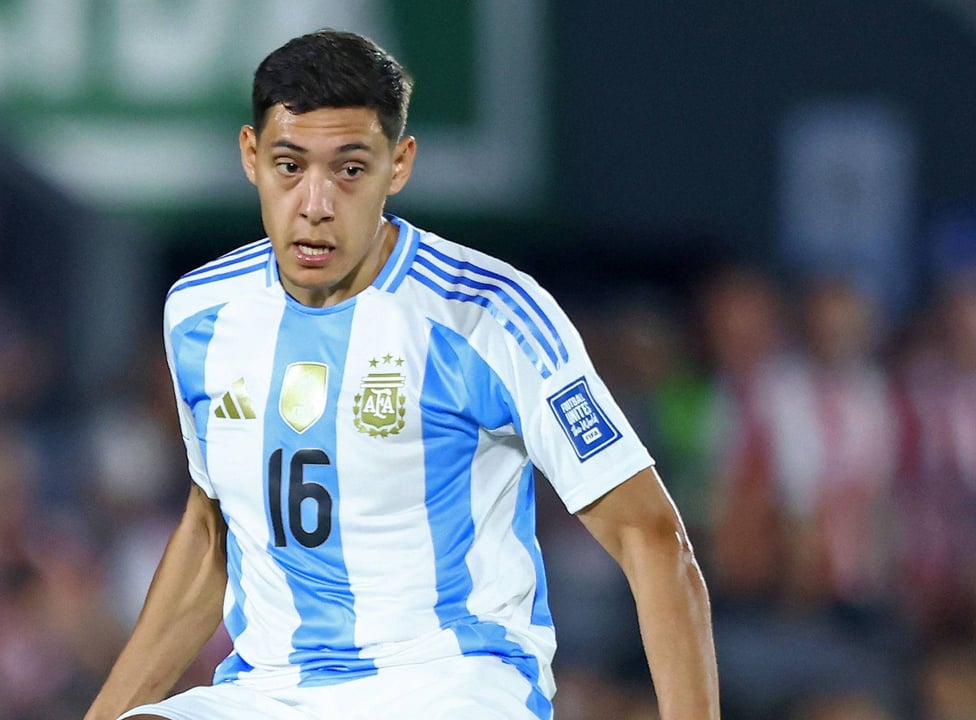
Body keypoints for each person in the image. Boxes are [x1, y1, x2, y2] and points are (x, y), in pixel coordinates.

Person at [85, 29, 718, 720]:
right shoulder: (200, 314)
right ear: (250, 155)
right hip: (270, 692)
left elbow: (651, 537)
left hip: (452, 684)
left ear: (399, 165)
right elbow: (213, 530)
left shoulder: (487, 315)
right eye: (289, 165)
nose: (315, 202)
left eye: (350, 170)